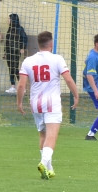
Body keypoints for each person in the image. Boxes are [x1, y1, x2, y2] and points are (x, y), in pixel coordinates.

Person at [15, 31, 81, 179]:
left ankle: (49, 169)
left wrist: (19, 102)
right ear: (51, 44)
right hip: (52, 103)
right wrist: (76, 95)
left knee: (43, 135)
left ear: (39, 45)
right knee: (52, 136)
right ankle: (43, 162)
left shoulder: (28, 61)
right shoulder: (57, 59)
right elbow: (68, 80)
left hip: (35, 104)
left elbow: (21, 86)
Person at [3, 13, 28, 94]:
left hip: (16, 51)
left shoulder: (20, 29)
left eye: (9, 19)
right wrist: (5, 52)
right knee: (10, 68)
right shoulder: (9, 30)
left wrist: (22, 47)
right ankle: (13, 86)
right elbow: (7, 42)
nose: (8, 20)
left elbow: (24, 38)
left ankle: (22, 86)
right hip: (9, 51)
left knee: (15, 68)